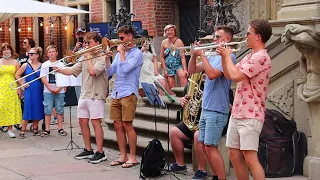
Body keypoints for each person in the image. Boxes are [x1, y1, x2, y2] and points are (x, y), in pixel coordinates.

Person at [217, 19, 272, 180]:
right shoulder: (249, 56)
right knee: (233, 154)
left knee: (250, 158)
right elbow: (228, 75)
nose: (245, 36)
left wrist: (228, 56)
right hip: (238, 111)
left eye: (249, 33)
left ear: (258, 37)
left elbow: (236, 75)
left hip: (251, 114)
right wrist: (223, 57)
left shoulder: (261, 57)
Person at [189, 26, 236, 180]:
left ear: (227, 39)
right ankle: (216, 176)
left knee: (211, 146)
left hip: (217, 108)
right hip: (206, 107)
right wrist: (193, 55)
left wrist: (202, 54)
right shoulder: (212, 55)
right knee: (203, 145)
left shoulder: (229, 56)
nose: (214, 40)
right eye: (214, 37)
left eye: (217, 37)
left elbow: (212, 74)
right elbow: (193, 70)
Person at [55, 32, 108, 164]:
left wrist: (88, 58)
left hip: (96, 94)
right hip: (85, 93)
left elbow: (93, 72)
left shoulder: (102, 57)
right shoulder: (84, 58)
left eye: (88, 43)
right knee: (82, 121)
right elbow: (73, 70)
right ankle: (88, 149)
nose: (85, 45)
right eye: (85, 42)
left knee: (96, 122)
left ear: (97, 43)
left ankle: (100, 152)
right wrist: (59, 69)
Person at [105, 25, 143, 168]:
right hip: (117, 91)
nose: (119, 41)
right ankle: (123, 156)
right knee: (117, 124)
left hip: (128, 92)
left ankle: (133, 157)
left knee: (127, 124)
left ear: (130, 37)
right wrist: (107, 58)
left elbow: (126, 68)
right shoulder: (120, 52)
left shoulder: (137, 54)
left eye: (121, 38)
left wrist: (121, 54)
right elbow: (110, 71)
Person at [15, 47, 44, 138]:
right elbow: (17, 74)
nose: (29, 55)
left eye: (32, 54)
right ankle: (23, 130)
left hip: (38, 89)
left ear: (37, 55)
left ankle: (35, 128)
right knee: (27, 108)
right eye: (29, 53)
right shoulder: (25, 65)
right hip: (29, 89)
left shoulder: (42, 65)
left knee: (37, 107)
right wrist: (22, 83)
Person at [39, 45, 68, 137]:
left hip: (59, 89)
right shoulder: (44, 64)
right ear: (47, 54)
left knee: (59, 109)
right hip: (48, 90)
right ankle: (47, 129)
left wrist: (59, 88)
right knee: (48, 109)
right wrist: (49, 87)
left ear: (56, 53)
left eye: (53, 52)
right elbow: (43, 77)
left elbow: (65, 76)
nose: (51, 53)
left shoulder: (61, 64)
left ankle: (60, 128)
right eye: (49, 52)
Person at [0, 43, 22, 138]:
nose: (6, 51)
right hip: (1, 86)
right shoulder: (0, 61)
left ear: (11, 50)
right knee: (2, 106)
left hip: (12, 86)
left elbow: (18, 76)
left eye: (8, 49)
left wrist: (19, 88)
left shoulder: (15, 62)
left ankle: (10, 129)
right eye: (4, 49)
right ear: (1, 52)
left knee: (11, 107)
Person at [137, 30, 167, 96]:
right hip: (141, 69)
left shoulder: (150, 46)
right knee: (143, 89)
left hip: (150, 68)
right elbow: (135, 59)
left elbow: (155, 59)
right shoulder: (136, 47)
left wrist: (156, 70)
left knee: (161, 81)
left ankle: (162, 99)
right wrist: (141, 50)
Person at [160, 24, 188, 93]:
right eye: (167, 30)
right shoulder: (163, 42)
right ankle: (173, 99)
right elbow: (162, 57)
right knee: (171, 84)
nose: (169, 32)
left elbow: (182, 56)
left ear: (175, 32)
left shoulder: (179, 41)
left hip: (178, 64)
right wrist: (165, 69)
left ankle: (185, 95)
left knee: (183, 77)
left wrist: (185, 69)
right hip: (168, 66)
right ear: (165, 32)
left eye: (171, 30)